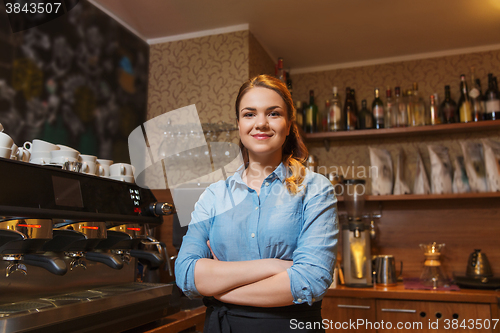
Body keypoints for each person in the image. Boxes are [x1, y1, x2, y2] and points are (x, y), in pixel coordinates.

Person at [175, 74, 338, 333]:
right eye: (249, 114)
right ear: (239, 125)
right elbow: (186, 274)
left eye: (273, 114)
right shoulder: (214, 195)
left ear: (288, 124)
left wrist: (219, 288)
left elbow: (310, 280)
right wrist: (273, 266)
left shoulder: (316, 189)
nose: (260, 123)